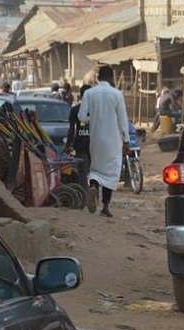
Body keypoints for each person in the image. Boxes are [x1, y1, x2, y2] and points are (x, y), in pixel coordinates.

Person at [78, 66, 131, 218]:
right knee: (110, 172)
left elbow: (82, 117)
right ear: (112, 78)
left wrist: (92, 119)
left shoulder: (89, 93)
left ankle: (93, 186)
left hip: (95, 138)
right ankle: (105, 207)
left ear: (97, 78)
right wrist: (126, 140)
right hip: (113, 140)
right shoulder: (117, 94)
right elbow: (122, 120)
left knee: (96, 169)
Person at [66, 84, 92, 190]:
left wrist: (68, 145)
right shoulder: (98, 110)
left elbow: (71, 130)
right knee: (96, 173)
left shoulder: (75, 110)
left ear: (81, 96)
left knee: (83, 172)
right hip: (95, 145)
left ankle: (86, 195)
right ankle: (95, 195)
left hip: (81, 145)